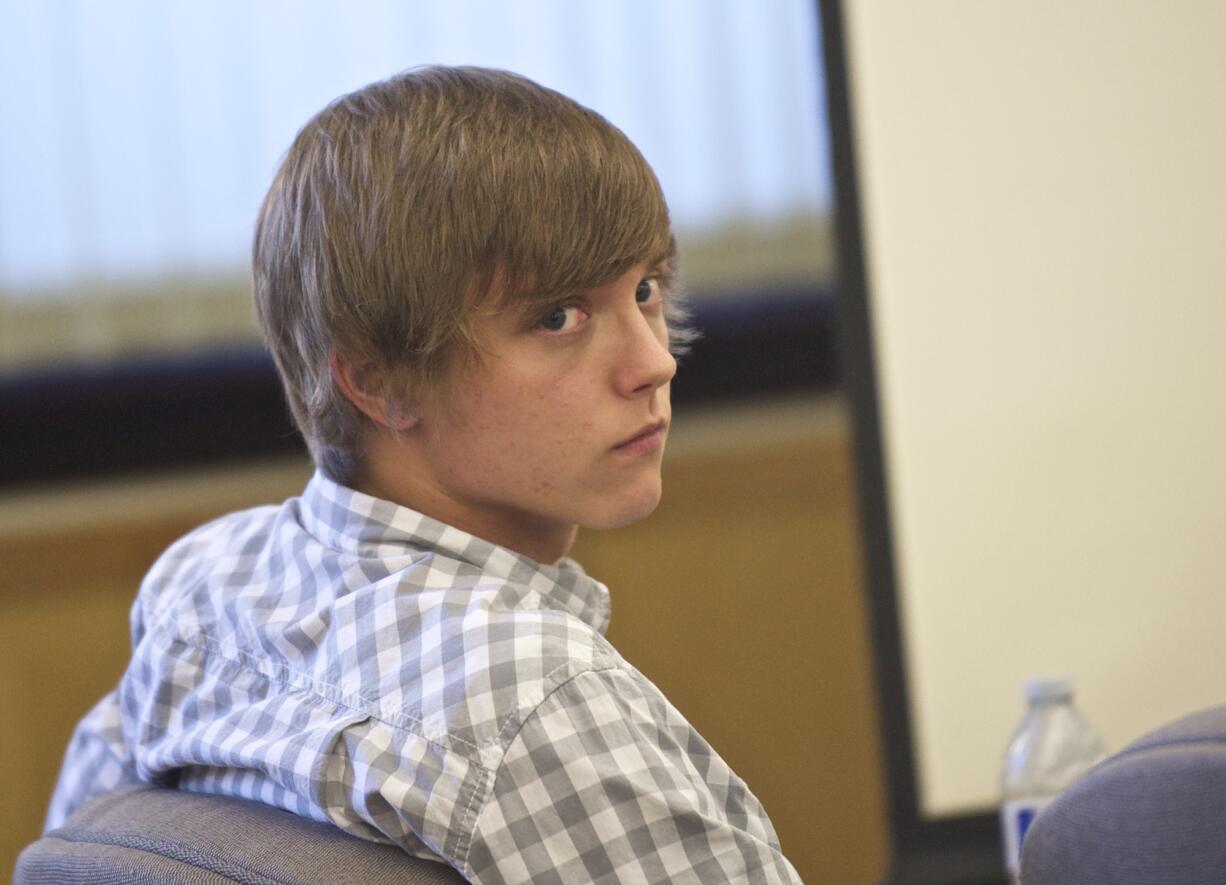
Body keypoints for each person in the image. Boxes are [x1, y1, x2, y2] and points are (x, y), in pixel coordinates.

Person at [45, 66, 802, 883]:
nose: (655, 362)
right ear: (378, 380)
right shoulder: (537, 704)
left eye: (647, 290)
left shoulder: (199, 586)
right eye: (559, 317)